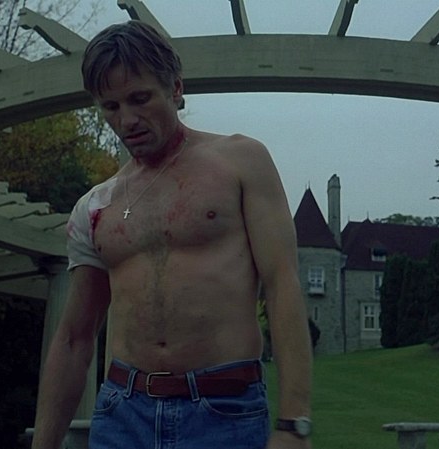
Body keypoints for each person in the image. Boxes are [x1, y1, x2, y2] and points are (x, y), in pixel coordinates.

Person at [30, 20, 313, 449]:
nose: (127, 120)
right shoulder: (95, 206)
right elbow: (74, 337)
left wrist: (294, 422)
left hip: (224, 408)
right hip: (123, 414)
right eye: (110, 107)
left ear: (176, 89)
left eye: (140, 98)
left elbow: (282, 284)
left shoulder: (241, 162)